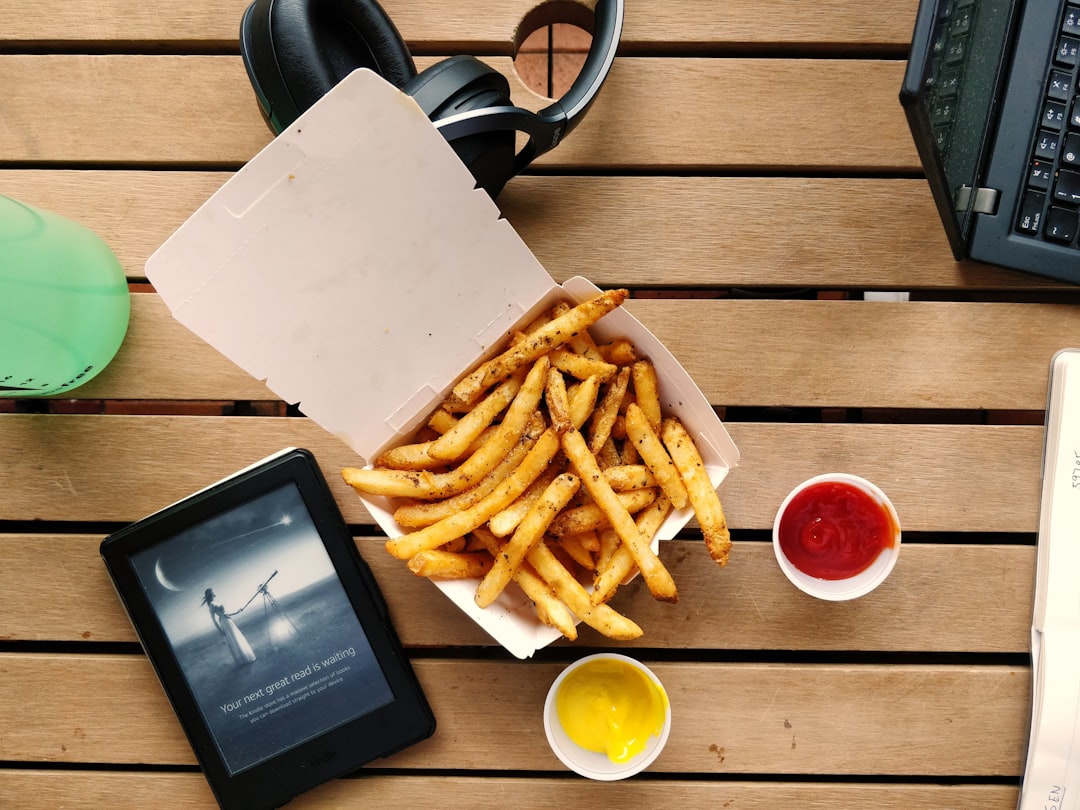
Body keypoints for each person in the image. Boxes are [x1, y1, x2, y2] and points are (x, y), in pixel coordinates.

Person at [201, 588, 256, 664]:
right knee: (233, 638)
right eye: (212, 592)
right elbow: (214, 620)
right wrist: (220, 631)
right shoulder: (211, 605)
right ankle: (243, 659)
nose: (213, 592)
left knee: (236, 637)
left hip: (227, 621)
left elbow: (225, 614)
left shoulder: (214, 602)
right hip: (224, 623)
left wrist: (237, 611)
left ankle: (244, 657)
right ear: (210, 594)